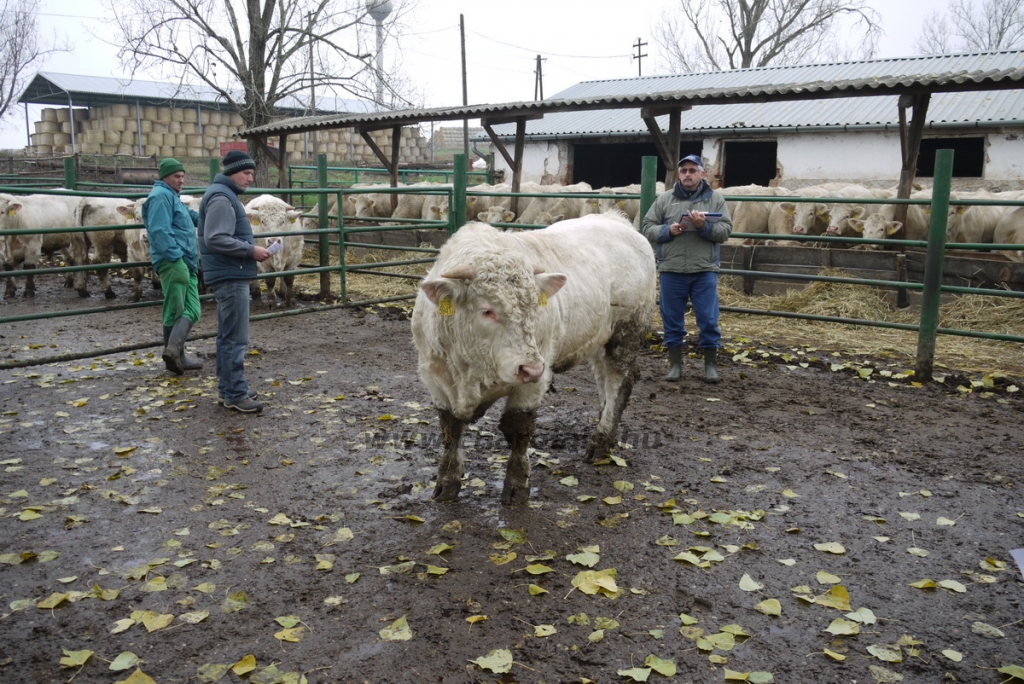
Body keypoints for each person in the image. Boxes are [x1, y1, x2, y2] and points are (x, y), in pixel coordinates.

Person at [642, 154, 732, 383]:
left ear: (702, 174)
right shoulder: (665, 199)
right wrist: (667, 231)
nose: (687, 175)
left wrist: (703, 227)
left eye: (693, 170)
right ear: (679, 174)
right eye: (684, 171)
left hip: (704, 269)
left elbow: (725, 231)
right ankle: (675, 366)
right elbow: (647, 227)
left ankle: (710, 366)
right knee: (671, 320)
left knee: (708, 319)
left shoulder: (715, 199)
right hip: (672, 269)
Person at [198, 150, 271, 413]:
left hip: (231, 271)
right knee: (235, 337)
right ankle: (235, 394)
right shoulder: (221, 197)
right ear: (232, 172)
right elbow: (215, 237)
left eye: (252, 173)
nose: (250, 178)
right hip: (230, 274)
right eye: (246, 173)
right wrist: (251, 251)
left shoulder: (224, 195)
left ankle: (228, 388)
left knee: (229, 335)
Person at [143, 157, 204, 375]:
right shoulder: (160, 197)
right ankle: (175, 354)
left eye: (183, 176)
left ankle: (175, 352)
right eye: (177, 176)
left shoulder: (171, 197)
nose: (181, 180)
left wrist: (210, 215)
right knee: (176, 308)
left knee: (190, 309)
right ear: (165, 177)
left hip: (185, 259)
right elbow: (159, 231)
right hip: (175, 260)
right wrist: (175, 257)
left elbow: (189, 217)